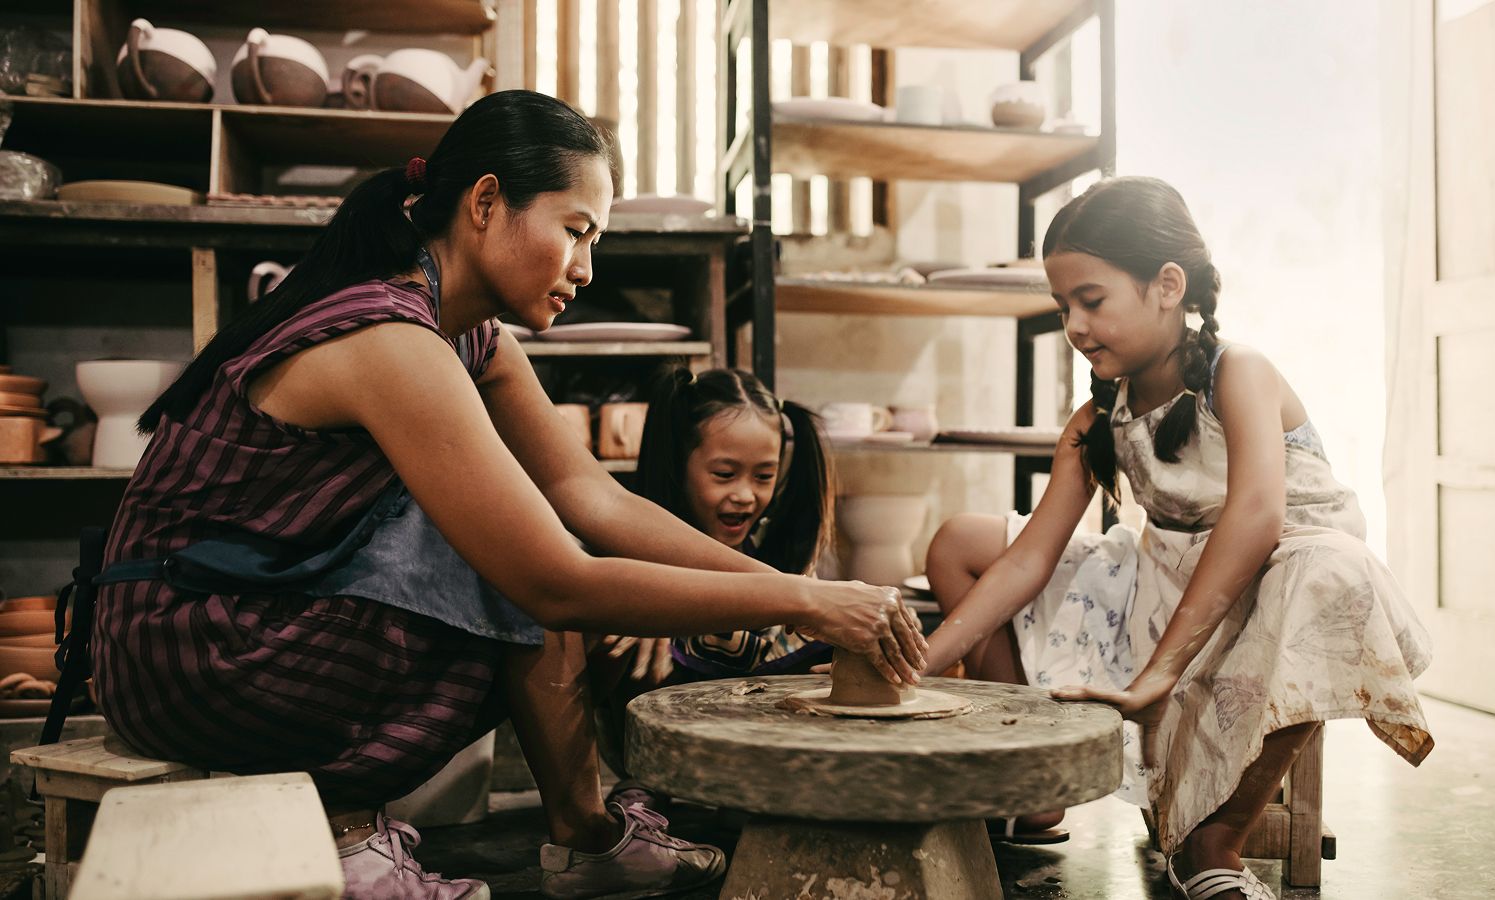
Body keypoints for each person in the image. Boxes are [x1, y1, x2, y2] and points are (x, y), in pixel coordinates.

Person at [91, 90, 926, 900]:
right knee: (521, 561)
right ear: (486, 202)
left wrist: (792, 595)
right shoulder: (387, 337)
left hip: (254, 615)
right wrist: (807, 605)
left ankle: (586, 840)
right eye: (576, 231)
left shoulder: (469, 336)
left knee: (539, 530)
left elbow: (593, 498)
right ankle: (354, 837)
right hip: (191, 651)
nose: (586, 269)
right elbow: (553, 581)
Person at [919, 176, 1433, 899]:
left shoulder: (1239, 373)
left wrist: (1161, 672)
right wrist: (917, 664)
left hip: (1269, 581)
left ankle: (1213, 847)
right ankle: (1031, 779)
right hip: (1162, 576)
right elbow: (1029, 557)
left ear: (1167, 285)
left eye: (1090, 301)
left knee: (1333, 570)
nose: (1073, 324)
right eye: (1063, 306)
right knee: (959, 543)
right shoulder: (1099, 415)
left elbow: (1255, 518)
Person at [594, 366, 835, 691]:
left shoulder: (785, 561)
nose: (745, 496)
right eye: (724, 474)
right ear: (679, 464)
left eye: (764, 476)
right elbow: (596, 688)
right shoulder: (629, 573)